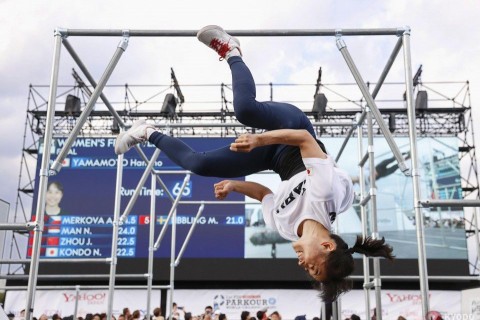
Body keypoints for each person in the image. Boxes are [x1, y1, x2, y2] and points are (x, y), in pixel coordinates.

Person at [114, 25, 394, 302]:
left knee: (199, 165)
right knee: (245, 110)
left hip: (274, 158)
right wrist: (259, 141)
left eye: (309, 271)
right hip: (294, 130)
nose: (302, 266)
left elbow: (264, 194)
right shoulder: (327, 196)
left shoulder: (285, 228)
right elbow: (305, 139)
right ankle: (232, 50)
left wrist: (234, 185)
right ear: (326, 245)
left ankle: (146, 131)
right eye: (312, 266)